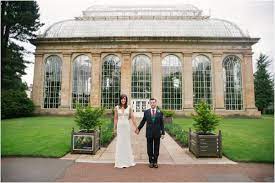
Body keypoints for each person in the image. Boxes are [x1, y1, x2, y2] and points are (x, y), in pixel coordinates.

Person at [135, 98, 165, 168]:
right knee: (149, 148)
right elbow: (143, 121)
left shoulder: (160, 112)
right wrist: (138, 128)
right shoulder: (146, 112)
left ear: (156, 103)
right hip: (149, 133)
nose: (152, 104)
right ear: (150, 103)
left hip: (157, 133)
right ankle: (151, 162)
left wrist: (163, 133)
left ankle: (155, 162)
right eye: (151, 103)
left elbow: (162, 123)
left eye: (154, 102)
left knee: (156, 148)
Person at [114, 94, 137, 168]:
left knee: (126, 142)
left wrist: (136, 127)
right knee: (120, 143)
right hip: (120, 127)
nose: (123, 100)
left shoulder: (129, 107)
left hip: (126, 127)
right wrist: (114, 128)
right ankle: (119, 161)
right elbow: (115, 118)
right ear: (120, 100)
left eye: (125, 99)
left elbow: (132, 117)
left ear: (126, 100)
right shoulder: (117, 108)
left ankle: (127, 161)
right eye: (122, 99)